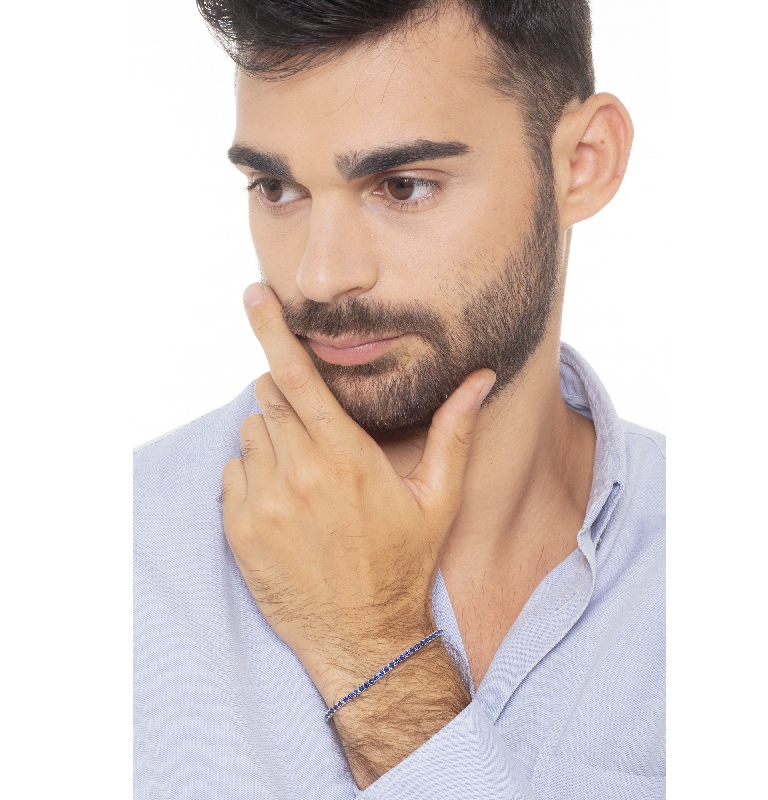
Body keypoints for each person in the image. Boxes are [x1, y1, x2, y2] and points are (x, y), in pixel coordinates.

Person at [133, 1, 665, 796]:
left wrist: (377, 663)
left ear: (583, 163)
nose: (320, 275)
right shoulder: (121, 554)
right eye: (277, 187)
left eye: (404, 186)